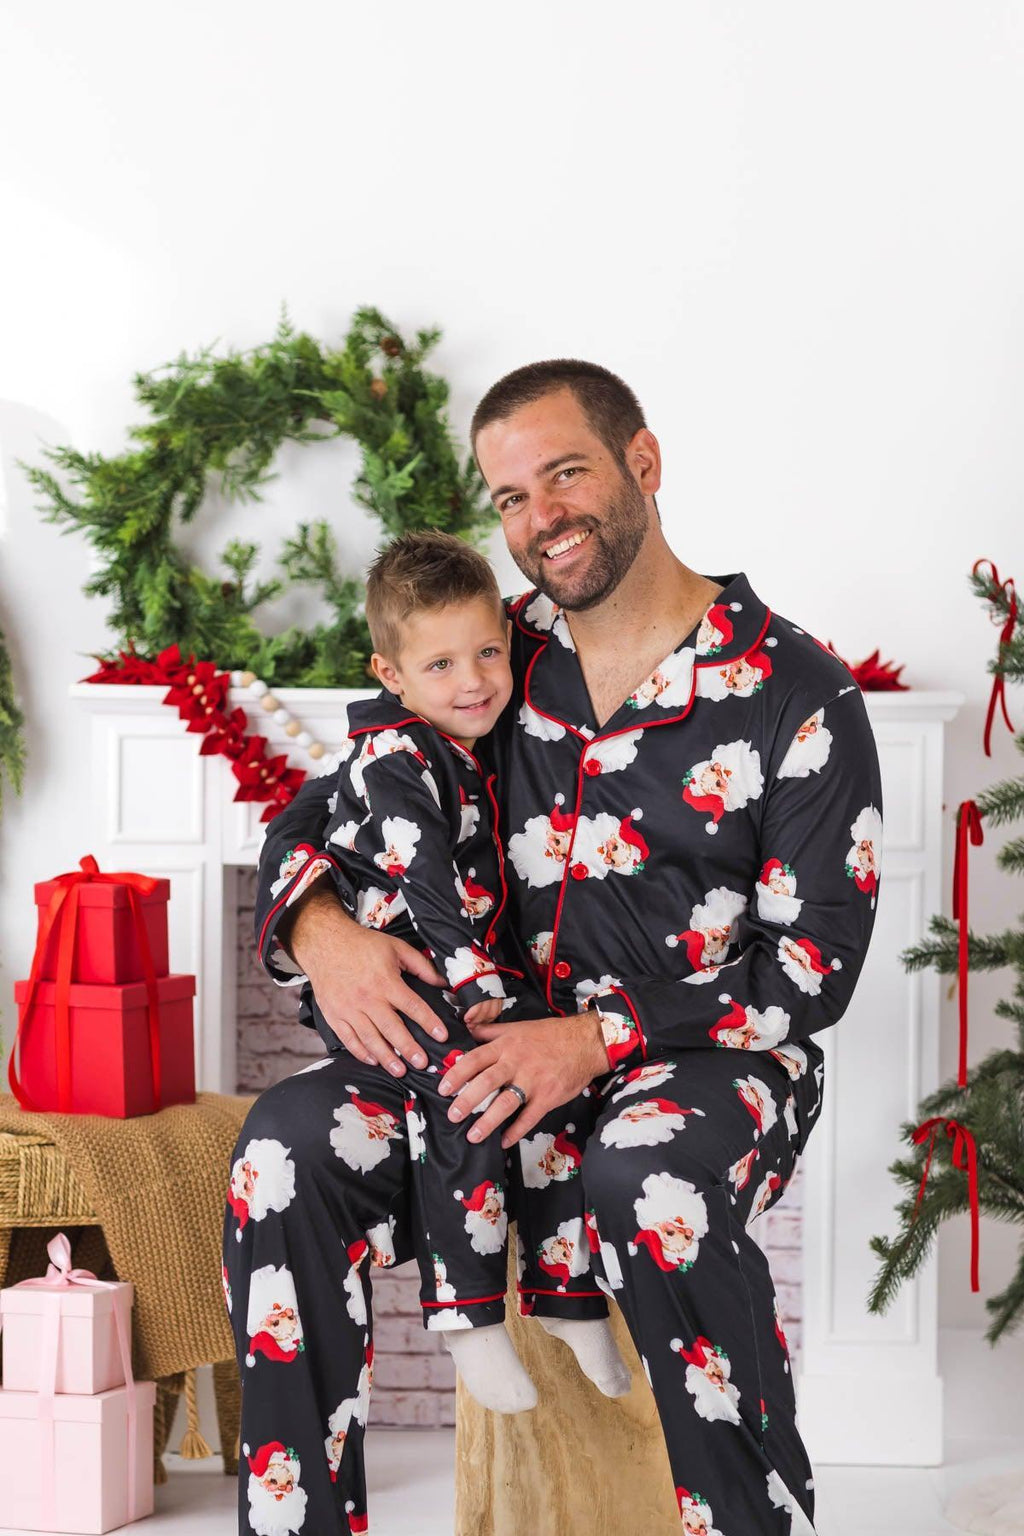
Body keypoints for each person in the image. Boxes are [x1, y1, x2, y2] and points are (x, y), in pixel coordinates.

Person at [225, 358, 883, 1536]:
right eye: (512, 497)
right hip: (486, 1055)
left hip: (703, 1064)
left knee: (649, 1173)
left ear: (643, 463)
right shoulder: (484, 654)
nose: (541, 519)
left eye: (564, 473)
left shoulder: (797, 692)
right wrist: (321, 933)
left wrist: (594, 1040)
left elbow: (813, 969)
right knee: (284, 1147)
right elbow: (319, 809)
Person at [269, 527, 631, 1418]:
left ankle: (567, 1297)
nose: (473, 681)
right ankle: (468, 1320)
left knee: (552, 1096)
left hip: (454, 975)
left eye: (485, 652)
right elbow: (427, 884)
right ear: (389, 673)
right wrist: (479, 992)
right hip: (406, 984)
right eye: (440, 666)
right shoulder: (394, 758)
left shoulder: (464, 736)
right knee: (474, 1096)